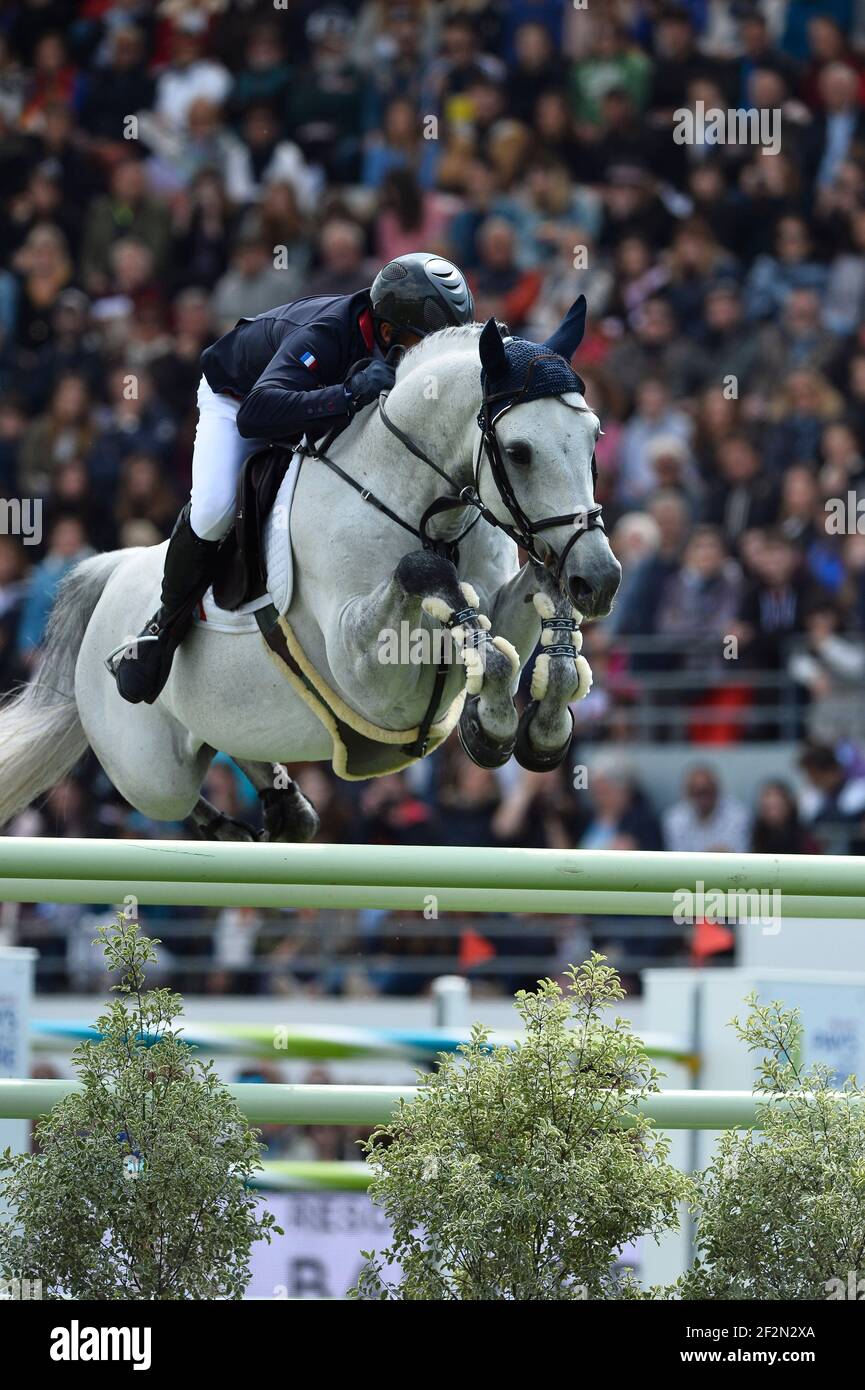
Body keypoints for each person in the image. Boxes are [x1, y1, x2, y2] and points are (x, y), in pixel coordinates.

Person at [113, 251, 474, 705]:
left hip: (306, 400)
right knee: (213, 509)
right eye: (422, 344)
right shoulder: (327, 334)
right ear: (386, 332)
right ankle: (161, 627)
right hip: (238, 396)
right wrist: (345, 395)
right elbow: (257, 413)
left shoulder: (389, 340)